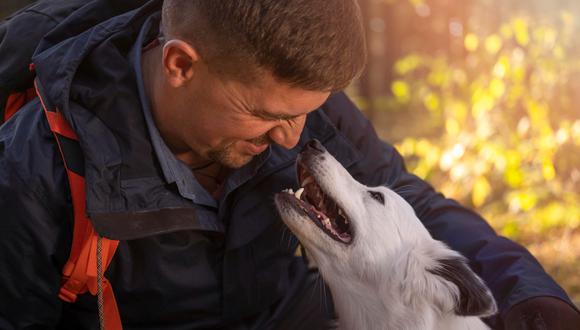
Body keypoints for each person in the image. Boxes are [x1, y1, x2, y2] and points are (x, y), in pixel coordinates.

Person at [0, 0, 578, 329]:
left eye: (311, 112)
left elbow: (404, 201)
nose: (294, 137)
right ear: (180, 64)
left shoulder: (293, 98)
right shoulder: (32, 174)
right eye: (267, 115)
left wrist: (524, 290)